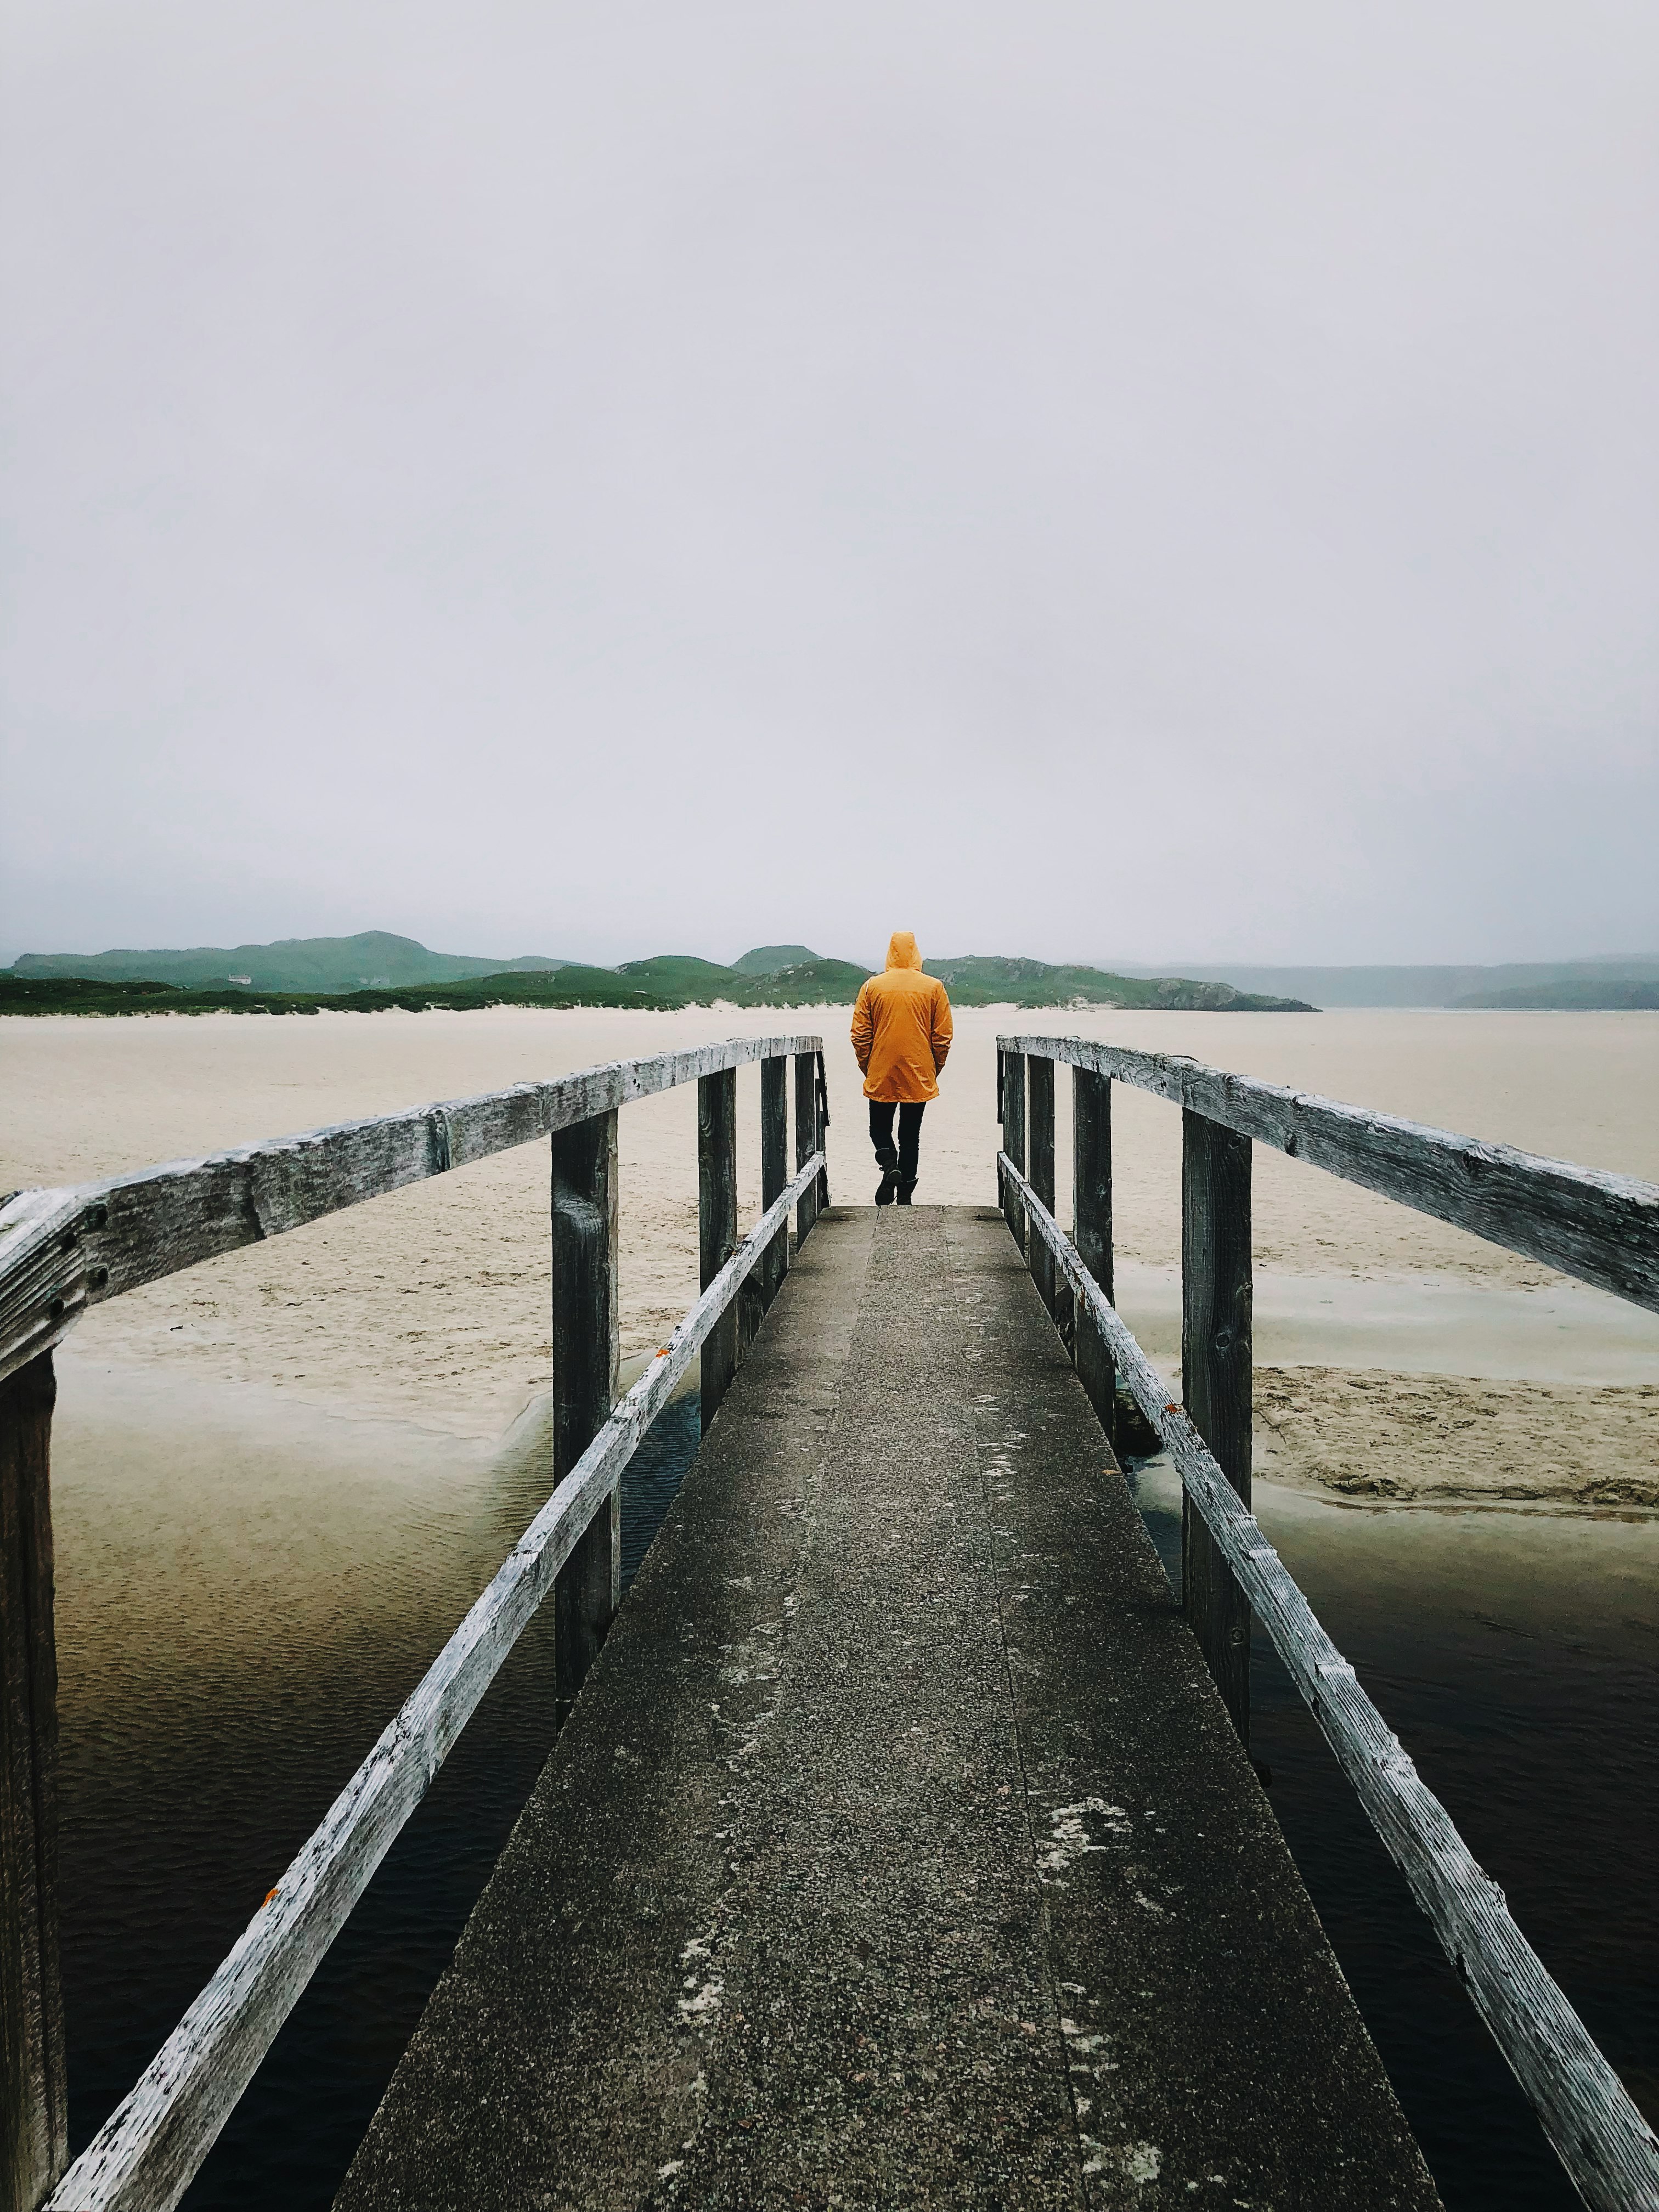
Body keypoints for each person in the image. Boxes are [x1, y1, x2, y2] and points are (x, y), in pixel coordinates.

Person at [850, 932, 953, 1205]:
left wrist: (868, 1067)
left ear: (890, 952)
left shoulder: (872, 987)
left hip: (882, 1069)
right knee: (910, 1136)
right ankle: (905, 1195)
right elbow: (942, 1038)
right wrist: (933, 1069)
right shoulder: (934, 987)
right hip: (919, 1071)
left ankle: (888, 1165)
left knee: (878, 1129)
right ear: (916, 952)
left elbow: (860, 1035)